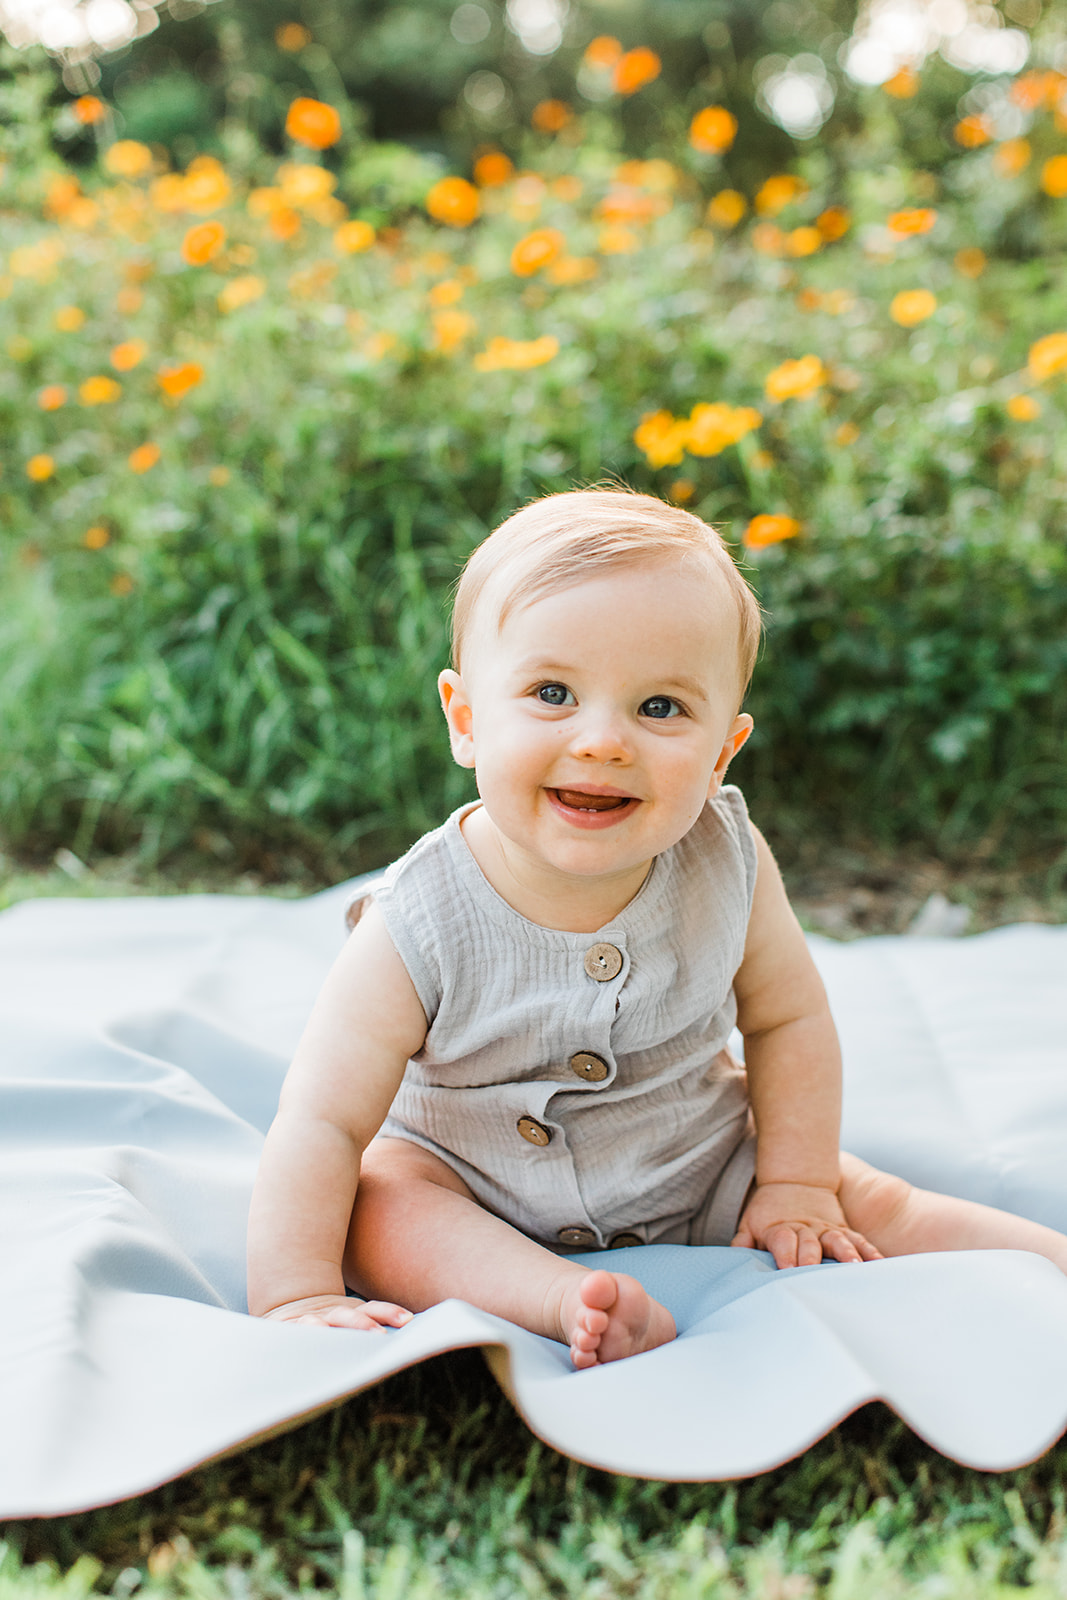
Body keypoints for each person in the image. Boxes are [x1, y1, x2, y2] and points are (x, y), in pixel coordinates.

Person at [246, 488, 1067, 1368]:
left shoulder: (726, 856)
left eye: (661, 709)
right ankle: (563, 1298)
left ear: (722, 752)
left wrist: (793, 1184)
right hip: (471, 1179)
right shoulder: (418, 917)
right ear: (466, 720)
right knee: (383, 1208)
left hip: (697, 1157)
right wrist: (297, 1293)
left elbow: (787, 1018)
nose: (602, 741)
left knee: (876, 1202)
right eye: (552, 692)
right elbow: (324, 1121)